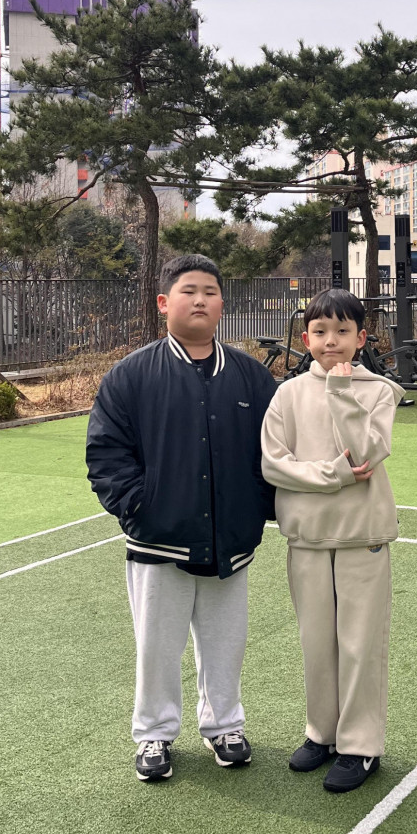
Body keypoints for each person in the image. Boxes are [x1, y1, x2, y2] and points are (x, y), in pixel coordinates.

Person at [86, 254, 276, 782]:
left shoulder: (250, 376)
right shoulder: (131, 375)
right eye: (188, 291)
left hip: (230, 540)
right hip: (157, 542)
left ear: (222, 304)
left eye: (210, 292)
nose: (200, 300)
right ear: (163, 302)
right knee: (156, 647)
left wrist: (256, 511)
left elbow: (275, 450)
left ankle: (225, 726)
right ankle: (153, 733)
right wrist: (140, 509)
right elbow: (106, 455)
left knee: (226, 644)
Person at [261, 288, 405, 794]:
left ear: (362, 338)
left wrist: (342, 392)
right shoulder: (287, 394)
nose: (331, 341)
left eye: (343, 331)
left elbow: (366, 453)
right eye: (320, 331)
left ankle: (360, 746)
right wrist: (335, 475)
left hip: (362, 536)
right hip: (306, 537)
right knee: (316, 642)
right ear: (306, 339)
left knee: (360, 644)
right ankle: (321, 733)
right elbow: (274, 465)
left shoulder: (379, 391)